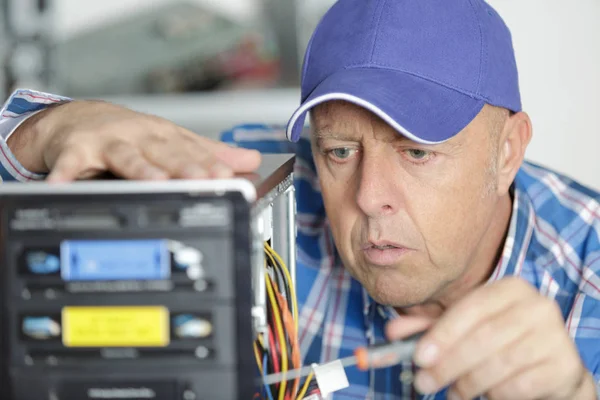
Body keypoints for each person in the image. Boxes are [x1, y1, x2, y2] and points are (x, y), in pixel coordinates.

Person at [0, 0, 598, 398]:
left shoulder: (588, 276)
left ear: (508, 151)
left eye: (417, 152)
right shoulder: (256, 186)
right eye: (341, 150)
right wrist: (47, 130)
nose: (369, 198)